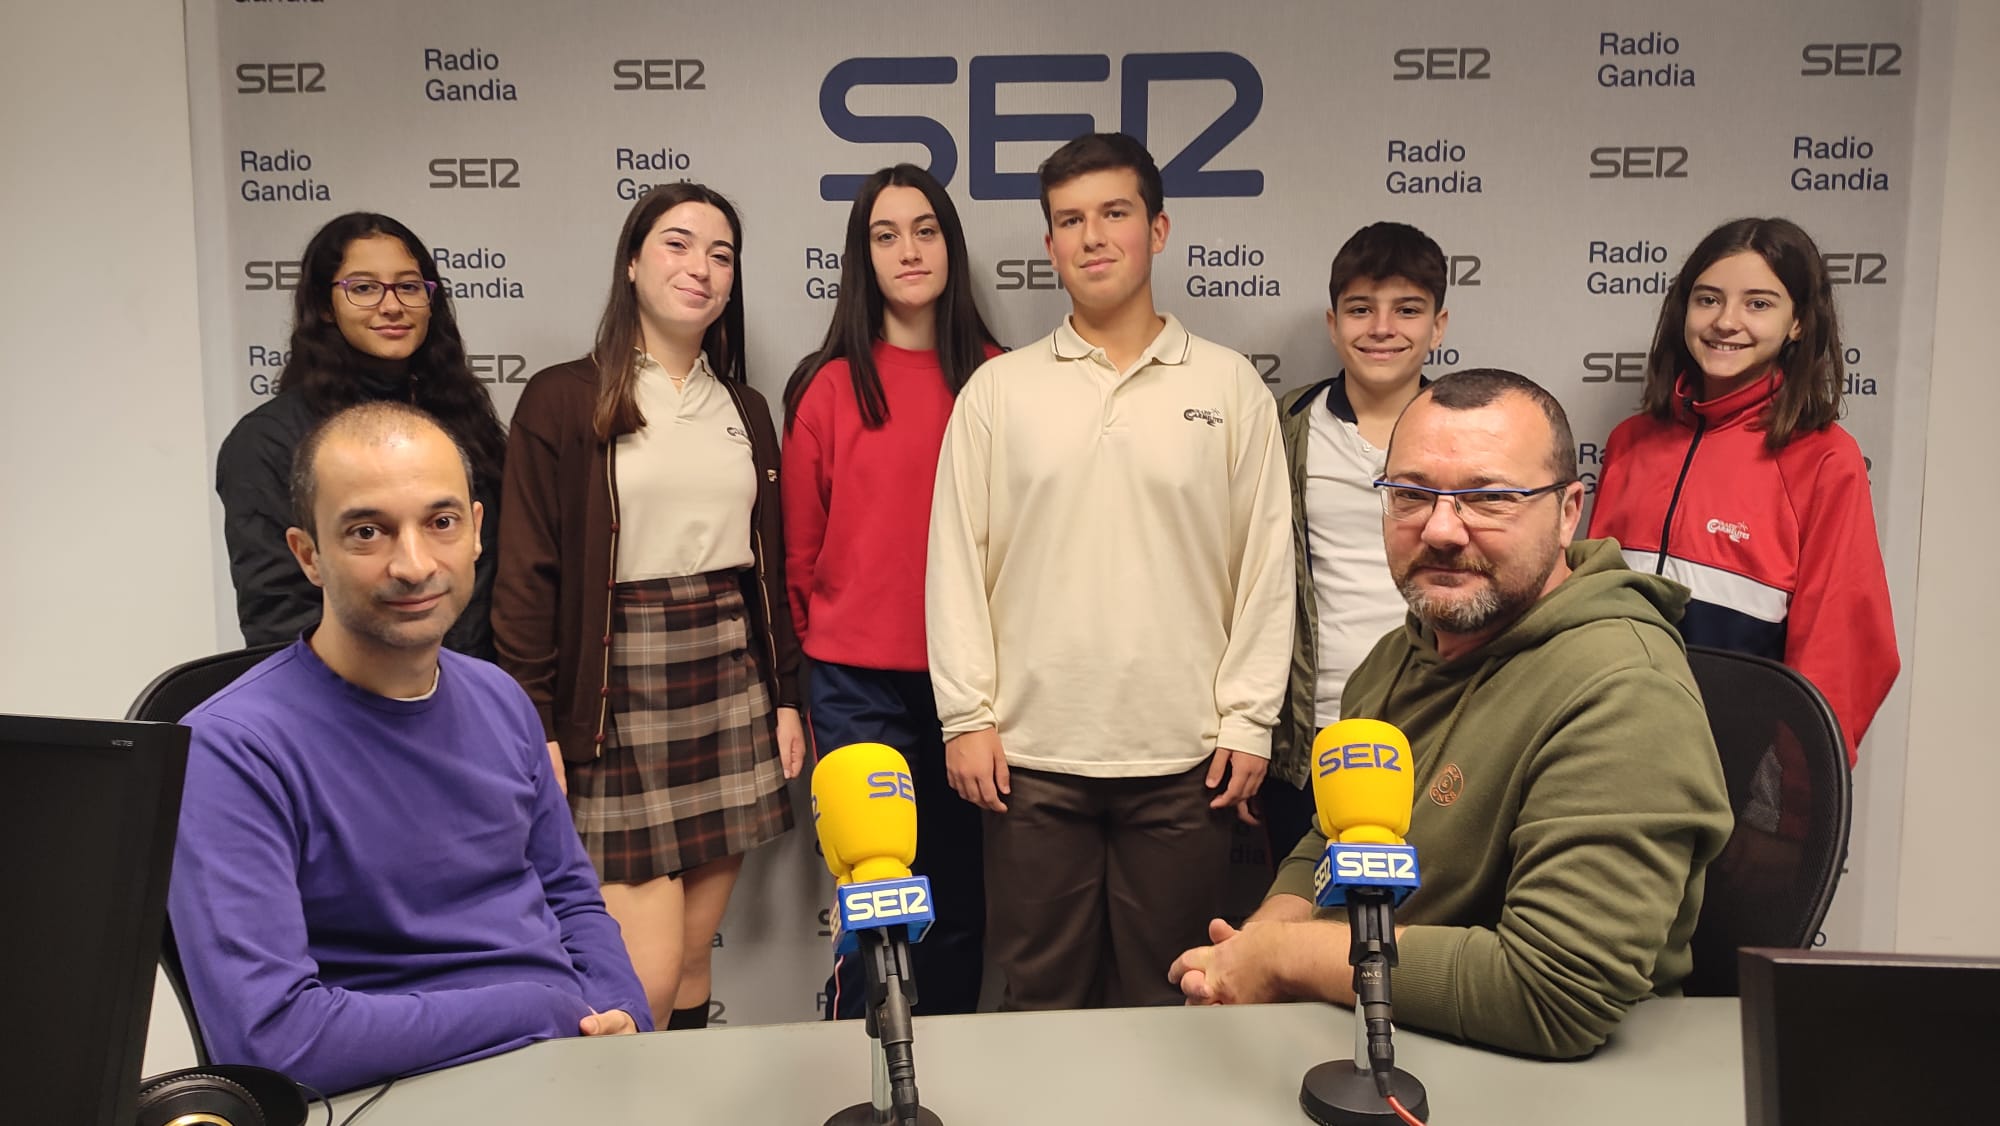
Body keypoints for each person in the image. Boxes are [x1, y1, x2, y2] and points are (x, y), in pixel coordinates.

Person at [1169, 370, 1732, 1060]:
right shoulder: (1393, 660)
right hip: (1377, 1031)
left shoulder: (1625, 691)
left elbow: (1555, 994)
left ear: (1567, 511)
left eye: (1488, 498)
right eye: (1410, 495)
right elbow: (1332, 840)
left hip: (1542, 1080)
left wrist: (1286, 955)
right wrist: (1256, 944)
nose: (1438, 529)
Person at [169, 402, 649, 1096]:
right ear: (308, 555)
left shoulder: (500, 699)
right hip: (390, 1092)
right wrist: (542, 1009)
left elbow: (570, 898)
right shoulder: (232, 752)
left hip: (565, 1065)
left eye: (441, 522)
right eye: (368, 531)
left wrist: (622, 1011)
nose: (415, 563)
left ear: (477, 531)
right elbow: (271, 1039)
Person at [927, 133, 1293, 1010]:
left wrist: (1249, 720)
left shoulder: (1232, 386)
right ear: (1049, 245)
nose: (1093, 237)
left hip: (1184, 761)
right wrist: (965, 716)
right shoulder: (999, 392)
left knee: (1167, 1001)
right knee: (1036, 1001)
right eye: (1069, 221)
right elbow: (954, 564)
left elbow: (1266, 566)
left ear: (1158, 230)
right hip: (1028, 759)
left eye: (1114, 214)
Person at [493, 183, 805, 1033]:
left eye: (721, 254)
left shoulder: (746, 408)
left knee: (699, 951)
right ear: (631, 264)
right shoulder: (565, 398)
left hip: (725, 679)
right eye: (676, 244)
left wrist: (784, 696)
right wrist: (536, 720)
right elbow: (526, 575)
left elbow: (765, 573)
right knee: (647, 973)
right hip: (614, 691)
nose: (699, 267)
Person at [780, 164, 1004, 1019]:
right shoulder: (831, 385)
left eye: (925, 230)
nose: (908, 250)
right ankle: (863, 1077)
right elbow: (801, 554)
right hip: (854, 690)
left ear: (951, 245)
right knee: (877, 909)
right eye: (885, 234)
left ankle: (932, 1085)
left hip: (969, 693)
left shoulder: (997, 379)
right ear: (861, 257)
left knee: (958, 909)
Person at [1589, 217, 1898, 766]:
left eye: (1758, 304)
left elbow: (1843, 651)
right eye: (1708, 299)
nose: (1726, 322)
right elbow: (1587, 610)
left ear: (1799, 323)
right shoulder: (1631, 442)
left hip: (1734, 775)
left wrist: (1790, 809)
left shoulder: (1824, 458)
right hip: (1608, 749)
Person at [216, 212, 507, 658]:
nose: (392, 306)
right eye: (364, 288)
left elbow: (495, 578)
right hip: (350, 701)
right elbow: (278, 616)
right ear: (324, 307)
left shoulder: (465, 419)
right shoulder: (268, 441)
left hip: (473, 689)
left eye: (409, 287)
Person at [1264, 221, 1453, 864]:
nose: (1381, 328)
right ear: (1332, 321)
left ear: (1439, 325)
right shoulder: (1283, 427)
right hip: (1318, 735)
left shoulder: (1473, 431)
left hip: (1443, 725)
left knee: (1431, 928)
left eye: (1407, 309)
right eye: (1360, 309)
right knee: (1308, 929)